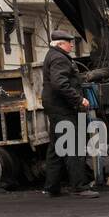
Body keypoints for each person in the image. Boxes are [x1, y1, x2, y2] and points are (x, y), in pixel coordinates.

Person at [41, 30, 99, 199]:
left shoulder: (53, 55)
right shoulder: (59, 58)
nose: (72, 45)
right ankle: (79, 187)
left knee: (56, 148)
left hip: (56, 108)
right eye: (68, 42)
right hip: (63, 109)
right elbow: (60, 84)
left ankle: (52, 187)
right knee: (73, 147)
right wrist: (79, 100)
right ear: (60, 44)